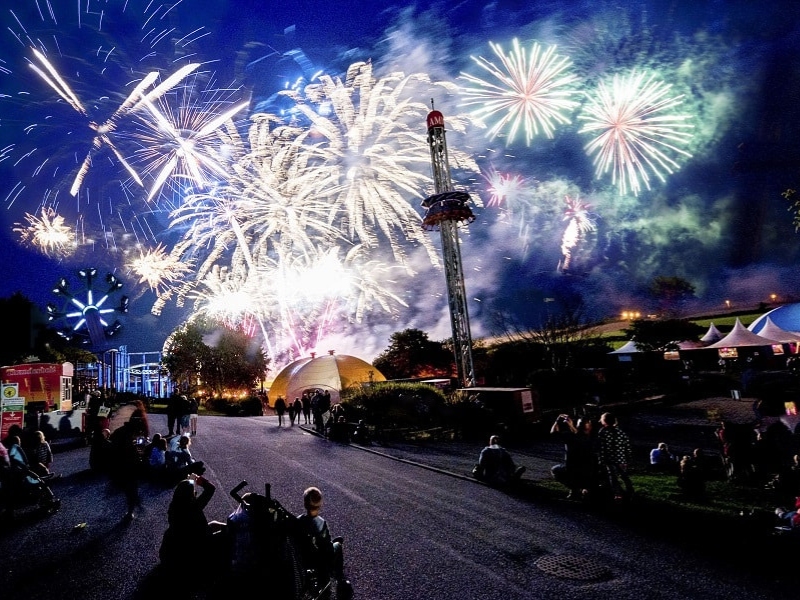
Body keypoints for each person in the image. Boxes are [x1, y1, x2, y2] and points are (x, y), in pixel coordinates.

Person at [159, 474, 227, 572]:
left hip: (176, 546)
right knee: (225, 534)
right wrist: (200, 480)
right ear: (191, 496)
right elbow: (211, 489)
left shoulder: (174, 506)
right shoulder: (193, 507)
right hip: (194, 547)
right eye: (194, 491)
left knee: (213, 524)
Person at [295, 486, 345, 590]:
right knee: (338, 546)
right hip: (319, 560)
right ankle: (340, 580)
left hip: (303, 558)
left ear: (305, 504)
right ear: (320, 504)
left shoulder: (298, 521)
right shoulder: (321, 523)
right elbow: (328, 549)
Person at [550, 415, 597, 500]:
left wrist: (557, 421)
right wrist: (571, 426)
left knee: (555, 470)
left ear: (577, 426)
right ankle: (585, 488)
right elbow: (579, 435)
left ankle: (574, 489)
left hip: (571, 469)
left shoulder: (570, 437)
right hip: (589, 470)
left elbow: (553, 433)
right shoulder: (592, 439)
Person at [109, 421, 142, 521]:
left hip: (119, 465)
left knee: (127, 488)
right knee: (131, 489)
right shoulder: (129, 437)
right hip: (129, 466)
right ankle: (130, 510)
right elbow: (134, 452)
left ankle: (131, 506)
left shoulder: (119, 432)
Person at [598, 412, 634, 501]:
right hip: (621, 458)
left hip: (609, 459)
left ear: (604, 421)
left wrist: (601, 459)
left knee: (613, 477)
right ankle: (630, 491)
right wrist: (628, 458)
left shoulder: (603, 432)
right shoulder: (620, 432)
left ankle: (618, 494)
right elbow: (627, 446)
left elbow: (601, 447)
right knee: (624, 475)